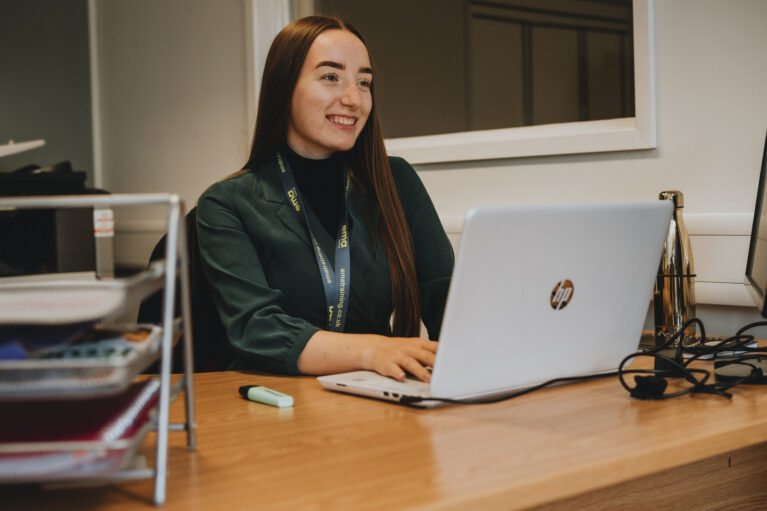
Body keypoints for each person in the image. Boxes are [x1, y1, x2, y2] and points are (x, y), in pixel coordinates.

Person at [196, 16, 454, 383]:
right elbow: (257, 328)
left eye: (364, 82)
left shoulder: (396, 181)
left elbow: (446, 297)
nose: (353, 99)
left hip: (379, 395)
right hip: (277, 401)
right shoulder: (226, 203)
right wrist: (372, 350)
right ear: (283, 89)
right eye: (331, 77)